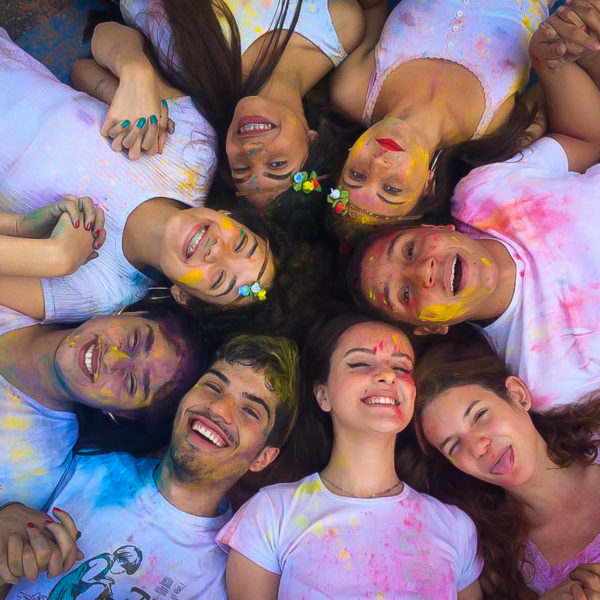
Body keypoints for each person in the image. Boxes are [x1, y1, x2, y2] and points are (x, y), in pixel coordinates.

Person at [348, 7, 600, 409]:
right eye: (407, 293)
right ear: (433, 328)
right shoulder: (546, 381)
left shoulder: (481, 196)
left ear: (439, 230)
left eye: (411, 250)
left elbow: (585, 140)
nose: (424, 270)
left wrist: (549, 60)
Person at [0, 28, 275, 322]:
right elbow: (86, 64)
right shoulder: (193, 149)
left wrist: (53, 257)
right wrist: (135, 76)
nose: (216, 251)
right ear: (229, 215)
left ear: (183, 296)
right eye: (241, 243)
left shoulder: (98, 291)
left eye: (219, 279)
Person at [0, 333, 299, 600]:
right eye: (212, 385)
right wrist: (7, 527)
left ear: (263, 458)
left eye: (250, 410)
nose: (218, 408)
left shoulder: (230, 576)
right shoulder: (86, 462)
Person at [217, 313, 483, 599]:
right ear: (323, 396)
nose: (388, 375)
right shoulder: (271, 513)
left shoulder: (455, 527)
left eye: (402, 368)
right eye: (360, 363)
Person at [79, 0, 380, 207]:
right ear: (313, 139)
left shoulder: (199, 91)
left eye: (242, 168)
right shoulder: (339, 27)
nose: (251, 151)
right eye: (276, 164)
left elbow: (103, 35)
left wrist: (135, 73)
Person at [326, 0, 556, 228]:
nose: (378, 164)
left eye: (356, 175)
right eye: (392, 189)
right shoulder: (496, 132)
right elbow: (564, 67)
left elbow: (373, 6)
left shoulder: (353, 90)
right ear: (428, 186)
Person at [413, 330, 600, 599]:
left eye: (479, 416)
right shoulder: (501, 561)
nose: (478, 447)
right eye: (454, 446)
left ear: (517, 395)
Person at [0, 301, 208, 510]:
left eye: (131, 383)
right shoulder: (22, 286)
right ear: (130, 314)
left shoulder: (34, 471)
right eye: (134, 340)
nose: (111, 359)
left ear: (123, 413)